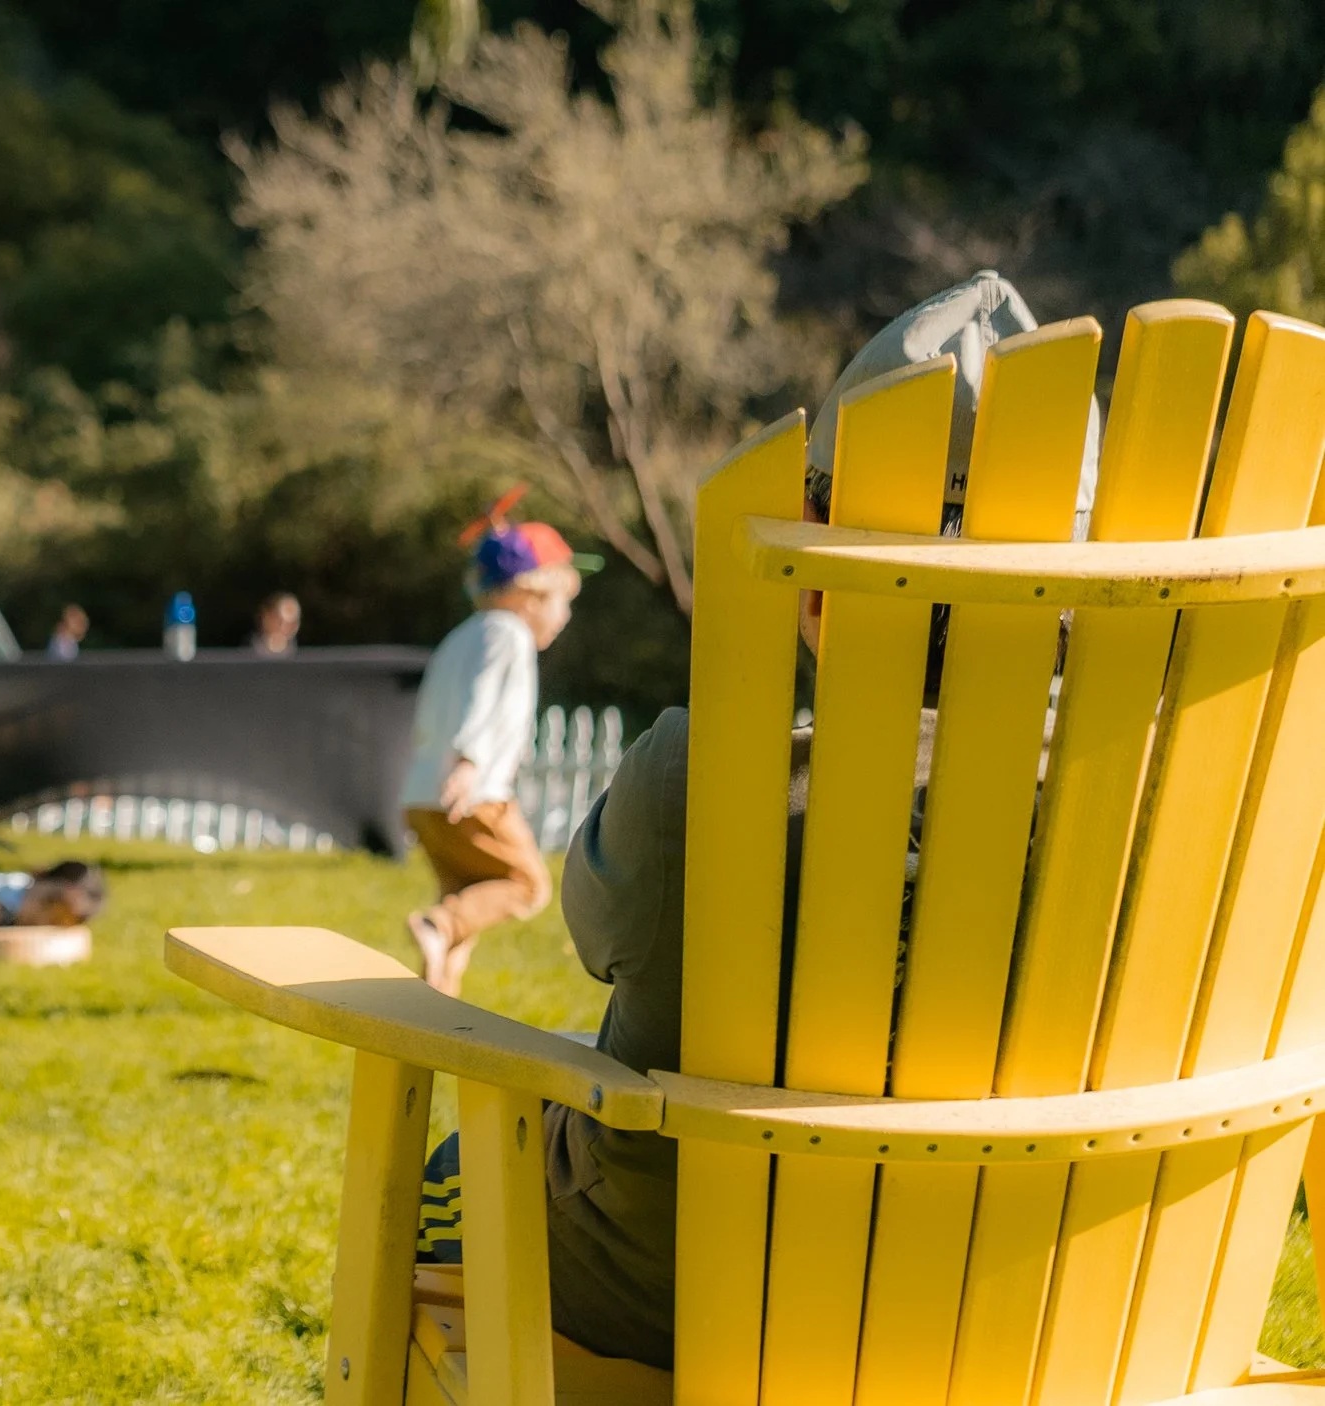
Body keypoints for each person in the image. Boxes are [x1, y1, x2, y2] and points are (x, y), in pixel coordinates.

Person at [413, 271, 1097, 1370]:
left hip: (676, 1283)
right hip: (1046, 1285)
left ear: (815, 558)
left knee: (450, 1171)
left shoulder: (697, 783)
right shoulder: (1190, 793)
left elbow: (595, 938)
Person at [401, 492, 581, 997]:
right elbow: (479, 703)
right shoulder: (509, 634)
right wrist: (469, 761)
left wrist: (419, 784)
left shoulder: (461, 635)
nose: (564, 618)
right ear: (531, 593)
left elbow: (429, 711)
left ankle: (435, 995)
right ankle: (437, 927)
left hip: (424, 796)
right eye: (562, 602)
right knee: (528, 885)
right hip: (473, 791)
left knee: (465, 896)